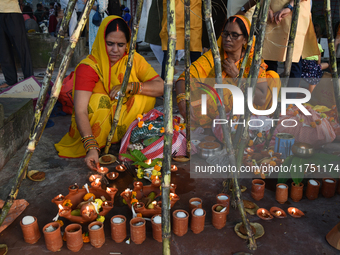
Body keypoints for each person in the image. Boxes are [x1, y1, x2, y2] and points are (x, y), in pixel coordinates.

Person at [55, 16, 164, 170]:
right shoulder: (89, 67)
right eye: (110, 44)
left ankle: (125, 137)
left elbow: (161, 86)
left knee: (144, 94)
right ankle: (102, 140)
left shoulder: (133, 60)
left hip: (123, 122)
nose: (115, 50)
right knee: (100, 101)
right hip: (95, 129)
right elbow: (80, 111)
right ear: (101, 41)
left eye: (120, 45)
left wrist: (130, 86)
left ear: (127, 44)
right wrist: (91, 147)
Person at [175, 15, 281, 127]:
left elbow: (261, 99)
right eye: (225, 34)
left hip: (250, 106)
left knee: (273, 77)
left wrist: (237, 77)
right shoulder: (214, 57)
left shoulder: (252, 61)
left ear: (245, 39)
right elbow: (183, 78)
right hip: (220, 110)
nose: (228, 39)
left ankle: (253, 120)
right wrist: (182, 99)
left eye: (234, 35)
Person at [238, 0, 319, 99]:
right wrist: (266, 7)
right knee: (269, 57)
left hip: (296, 10)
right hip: (271, 9)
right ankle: (268, 100)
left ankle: (289, 104)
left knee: (293, 60)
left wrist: (290, 7)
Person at [159, 0, 202, 80]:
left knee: (194, 53)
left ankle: (198, 85)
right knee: (169, 54)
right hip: (173, 18)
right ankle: (165, 86)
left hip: (192, 19)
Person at [0, 0, 34, 88]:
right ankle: (10, 80)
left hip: (13, 11)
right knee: (3, 49)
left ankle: (29, 78)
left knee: (22, 47)